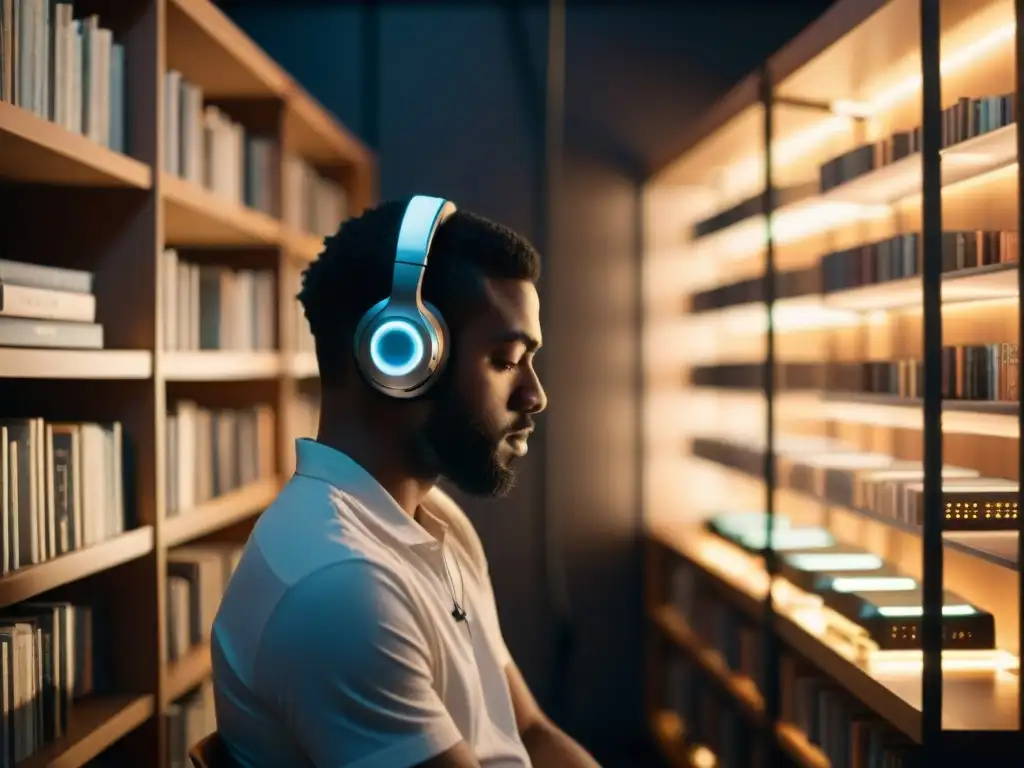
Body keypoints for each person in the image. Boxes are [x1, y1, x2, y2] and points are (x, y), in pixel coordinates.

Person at [210, 196, 600, 768]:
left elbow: (532, 734)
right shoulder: (341, 589)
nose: (535, 395)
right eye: (506, 358)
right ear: (401, 355)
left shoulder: (439, 524)